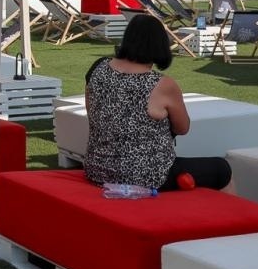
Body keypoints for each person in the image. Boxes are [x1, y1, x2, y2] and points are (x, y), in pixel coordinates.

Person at [83, 14, 232, 191]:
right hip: (143, 175)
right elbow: (182, 128)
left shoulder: (99, 68)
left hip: (96, 169)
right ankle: (242, 217)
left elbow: (92, 111)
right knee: (222, 169)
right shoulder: (161, 84)